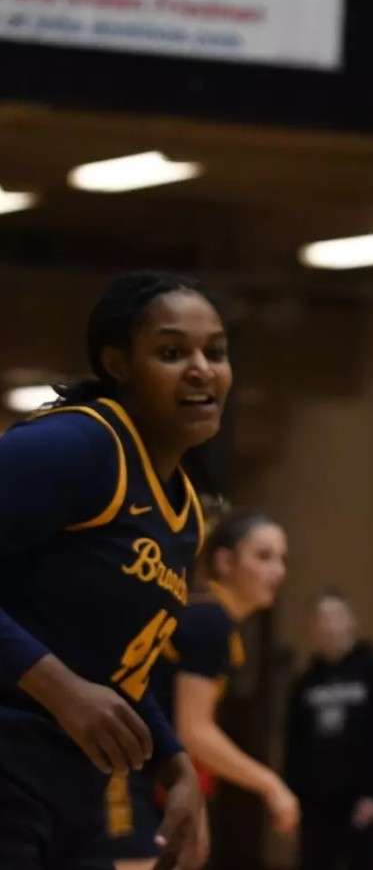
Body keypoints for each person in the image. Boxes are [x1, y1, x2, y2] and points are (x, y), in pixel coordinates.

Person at [0, 272, 225, 869]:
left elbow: (116, 666)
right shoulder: (79, 445)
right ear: (118, 364)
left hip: (73, 794)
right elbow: (76, 684)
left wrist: (174, 761)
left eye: (216, 352)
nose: (202, 368)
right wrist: (61, 690)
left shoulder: (187, 515)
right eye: (173, 352)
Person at [92, 510, 296, 869]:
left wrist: (193, 792)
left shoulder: (214, 620)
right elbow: (194, 730)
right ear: (225, 561)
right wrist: (271, 785)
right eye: (263, 556)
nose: (278, 571)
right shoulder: (210, 621)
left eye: (282, 558)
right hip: (120, 763)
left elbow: (179, 726)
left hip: (144, 763)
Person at [284, 591, 373, 870]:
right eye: (321, 619)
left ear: (352, 621)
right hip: (315, 803)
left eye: (336, 616)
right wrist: (290, 796)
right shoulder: (306, 682)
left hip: (359, 801)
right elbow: (293, 743)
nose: (329, 625)